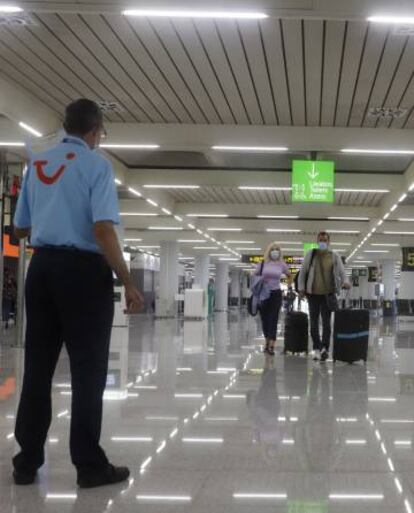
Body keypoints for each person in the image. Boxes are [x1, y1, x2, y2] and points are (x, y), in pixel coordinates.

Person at [12, 99, 144, 488]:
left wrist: (51, 213)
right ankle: (88, 465)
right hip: (84, 275)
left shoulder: (36, 163)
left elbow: (20, 229)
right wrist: (128, 281)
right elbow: (103, 230)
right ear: (95, 130)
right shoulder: (97, 165)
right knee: (88, 373)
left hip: (42, 270)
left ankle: (26, 461)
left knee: (37, 369)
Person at [298, 232, 350, 362]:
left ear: (329, 242)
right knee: (314, 324)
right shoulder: (311, 254)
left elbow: (342, 271)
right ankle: (316, 348)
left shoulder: (334, 255)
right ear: (317, 241)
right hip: (313, 294)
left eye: (325, 240)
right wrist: (301, 289)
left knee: (327, 324)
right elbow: (303, 272)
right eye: (320, 240)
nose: (322, 242)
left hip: (328, 294)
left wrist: (346, 281)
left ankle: (325, 349)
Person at [255, 243, 292, 356]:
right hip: (263, 294)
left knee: (273, 319)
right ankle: (266, 341)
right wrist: (259, 280)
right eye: (273, 249)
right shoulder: (263, 263)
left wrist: (289, 287)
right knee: (264, 319)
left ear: (279, 252)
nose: (275, 251)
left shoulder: (282, 264)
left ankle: (271, 345)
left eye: (277, 250)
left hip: (276, 294)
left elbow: (289, 275)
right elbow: (254, 275)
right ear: (269, 251)